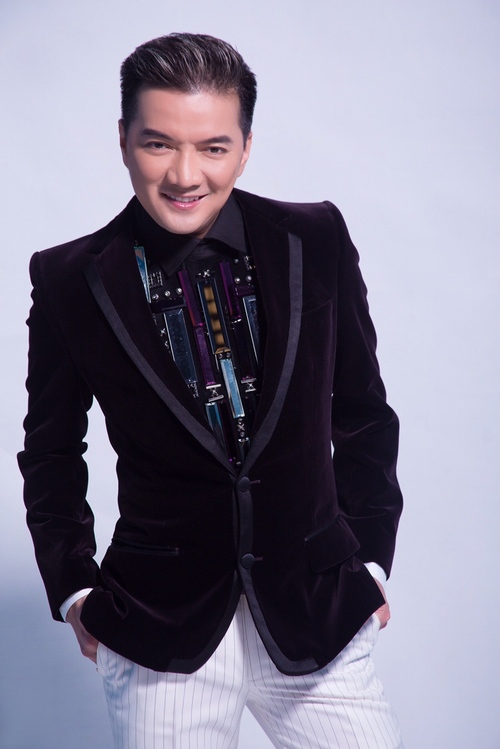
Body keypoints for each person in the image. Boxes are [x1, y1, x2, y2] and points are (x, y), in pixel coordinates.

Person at [18, 32, 404, 749]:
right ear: (124, 140)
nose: (184, 174)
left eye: (213, 147)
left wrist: (372, 562)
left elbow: (363, 414)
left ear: (246, 146)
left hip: (315, 611)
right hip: (158, 630)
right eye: (158, 144)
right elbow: (50, 453)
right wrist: (74, 590)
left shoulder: (315, 237)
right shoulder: (70, 280)